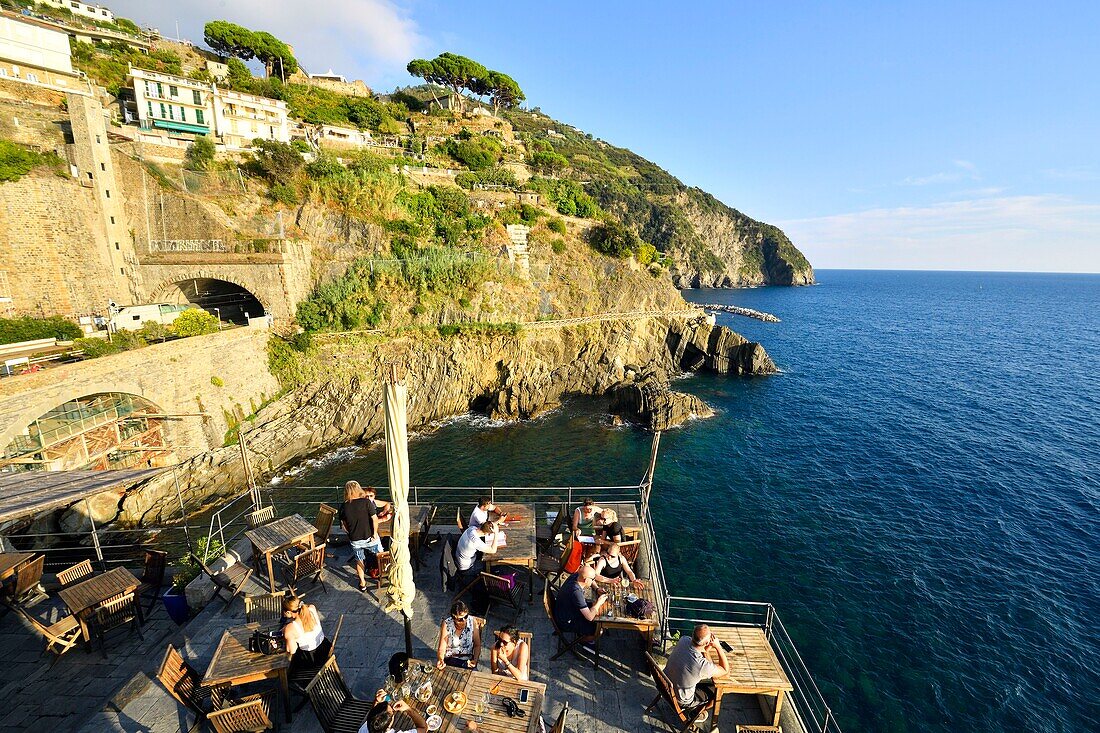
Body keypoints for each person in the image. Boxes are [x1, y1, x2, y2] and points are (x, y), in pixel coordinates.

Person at [663, 624, 730, 713]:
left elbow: (696, 655)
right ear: (706, 642)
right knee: (717, 691)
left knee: (700, 679)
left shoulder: (684, 640)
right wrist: (718, 647)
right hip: (681, 699)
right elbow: (725, 670)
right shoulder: (702, 666)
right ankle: (697, 712)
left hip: (665, 685)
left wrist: (706, 651)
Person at [340, 480, 382, 591]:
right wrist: (374, 534)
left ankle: (363, 584)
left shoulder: (344, 506)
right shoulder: (366, 502)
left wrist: (350, 533)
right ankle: (382, 577)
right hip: (370, 538)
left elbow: (344, 525)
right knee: (381, 557)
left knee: (359, 561)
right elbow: (375, 519)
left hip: (355, 540)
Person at [553, 564, 608, 643]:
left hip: (564, 610)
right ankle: (580, 641)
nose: (594, 581)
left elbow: (590, 581)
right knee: (599, 630)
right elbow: (589, 617)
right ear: (585, 580)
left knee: (595, 608)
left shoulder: (576, 576)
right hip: (566, 621)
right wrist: (599, 602)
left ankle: (582, 633)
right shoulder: (576, 592)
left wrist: (597, 589)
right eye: (593, 579)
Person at [282, 594, 331, 676]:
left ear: (288, 612)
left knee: (291, 666)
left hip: (312, 659)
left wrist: (286, 635)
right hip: (325, 647)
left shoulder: (290, 628)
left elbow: (292, 650)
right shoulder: (311, 608)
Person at [435, 600, 481, 669]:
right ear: (454, 619)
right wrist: (441, 660)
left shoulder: (472, 622)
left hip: (467, 660)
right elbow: (442, 648)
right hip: (450, 659)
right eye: (460, 619)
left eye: (466, 617)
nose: (464, 620)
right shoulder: (447, 624)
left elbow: (477, 645)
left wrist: (475, 660)